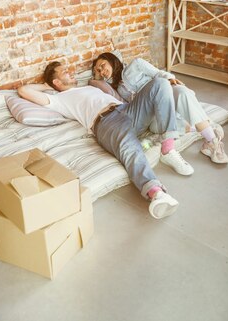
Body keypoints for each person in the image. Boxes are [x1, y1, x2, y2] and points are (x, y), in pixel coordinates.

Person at [17, 61, 194, 220]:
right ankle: (156, 193)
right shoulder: (57, 100)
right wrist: (47, 85)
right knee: (131, 151)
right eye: (64, 72)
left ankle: (168, 148)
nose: (71, 72)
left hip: (127, 109)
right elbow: (23, 91)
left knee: (161, 83)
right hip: (106, 122)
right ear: (56, 82)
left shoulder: (89, 86)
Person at [91, 52, 228, 164]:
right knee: (156, 127)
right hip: (153, 110)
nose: (102, 71)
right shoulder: (117, 89)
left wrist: (170, 79)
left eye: (103, 65)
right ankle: (202, 127)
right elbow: (96, 83)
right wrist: (97, 75)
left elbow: (158, 73)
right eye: (98, 70)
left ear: (112, 60)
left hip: (164, 91)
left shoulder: (136, 64)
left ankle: (211, 141)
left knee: (182, 93)